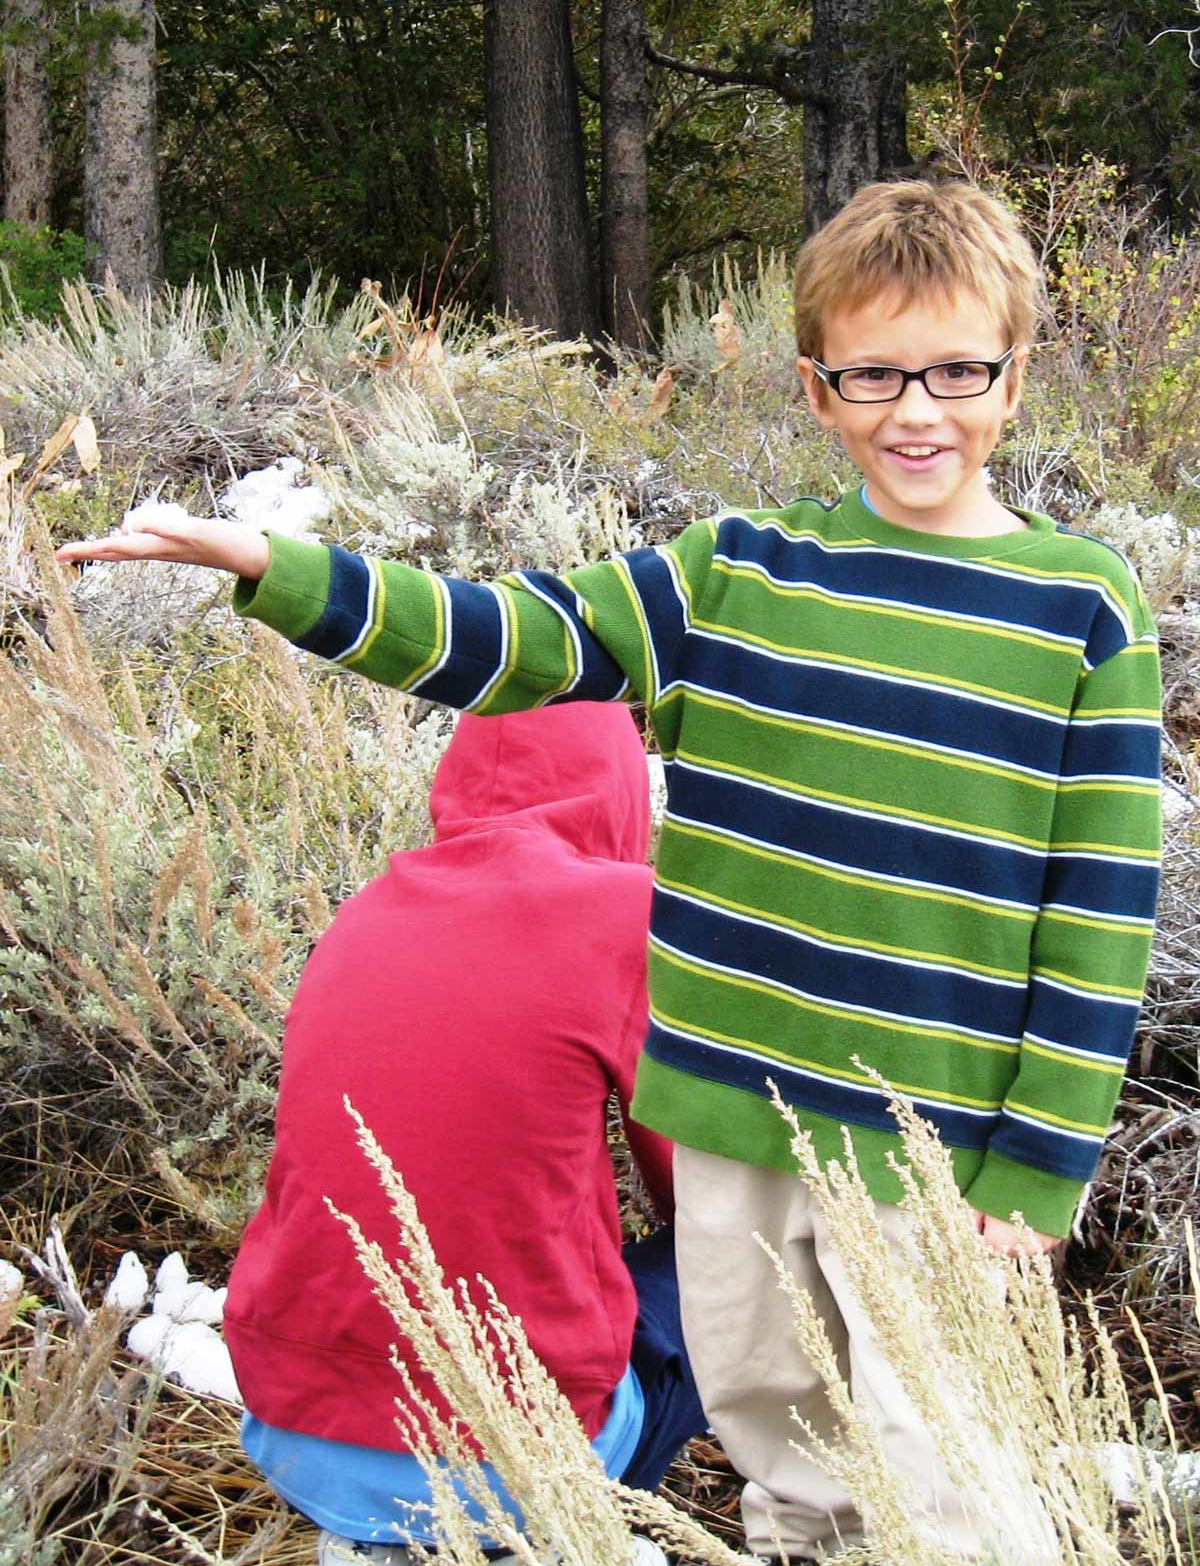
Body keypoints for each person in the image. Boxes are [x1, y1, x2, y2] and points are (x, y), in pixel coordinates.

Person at [59, 177, 1163, 1561]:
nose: (917, 409)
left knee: (947, 1489)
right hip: (734, 1126)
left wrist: (1038, 1174)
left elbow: (1100, 921)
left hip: (932, 1153)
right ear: (818, 387)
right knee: (791, 1463)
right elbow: (508, 639)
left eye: (956, 370)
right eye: (874, 373)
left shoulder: (1083, 608)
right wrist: (277, 568)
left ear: (1013, 376)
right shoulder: (739, 572)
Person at [222, 700, 705, 1566]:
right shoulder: (625, 913)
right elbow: (701, 1190)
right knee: (760, 1258)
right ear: (623, 789)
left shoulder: (361, 914)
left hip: (291, 1426)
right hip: (523, 1459)